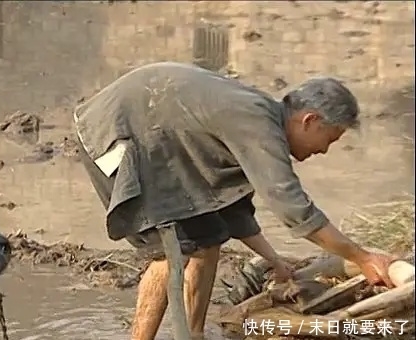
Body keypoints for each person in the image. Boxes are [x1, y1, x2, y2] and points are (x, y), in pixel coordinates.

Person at [72, 62, 397, 340]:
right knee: (172, 247)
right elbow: (292, 207)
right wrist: (363, 257)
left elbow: (232, 210)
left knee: (207, 236)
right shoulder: (258, 123)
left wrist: (276, 263)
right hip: (114, 133)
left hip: (158, 135)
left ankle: (193, 334)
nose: (324, 151)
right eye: (329, 139)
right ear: (309, 120)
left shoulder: (260, 118)